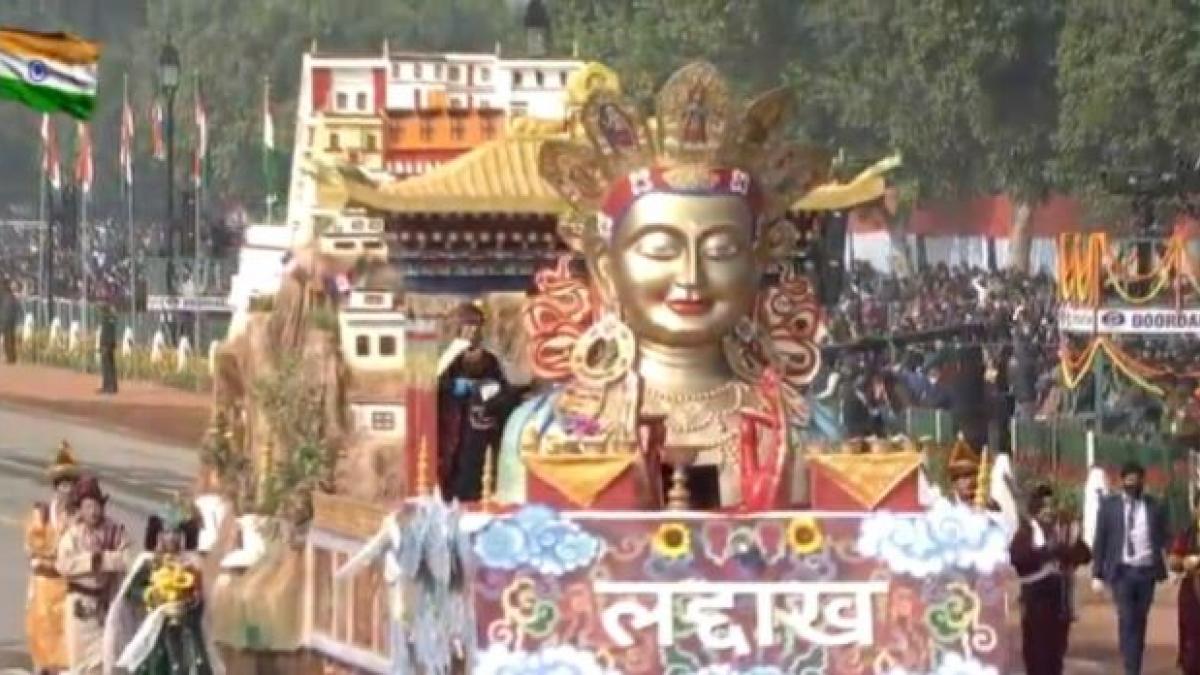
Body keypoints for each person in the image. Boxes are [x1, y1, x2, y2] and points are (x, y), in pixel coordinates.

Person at [496, 62, 859, 510]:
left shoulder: (806, 431)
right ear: (608, 267)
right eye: (660, 249)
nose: (690, 277)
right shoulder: (546, 432)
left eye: (720, 251)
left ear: (757, 262)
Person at [103, 497, 213, 675]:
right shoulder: (148, 562)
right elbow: (131, 593)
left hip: (186, 633)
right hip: (155, 634)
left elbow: (201, 598)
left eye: (176, 532)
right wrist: (152, 596)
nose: (172, 537)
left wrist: (189, 603)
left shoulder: (191, 563)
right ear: (159, 535)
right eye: (167, 532)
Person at [436, 301, 520, 502]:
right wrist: (455, 387)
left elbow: (504, 390)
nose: (473, 332)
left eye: (477, 326)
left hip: (481, 431)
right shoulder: (450, 358)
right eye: (468, 326)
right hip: (454, 429)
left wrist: (493, 391)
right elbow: (434, 386)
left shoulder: (490, 360)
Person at [1091, 461, 1169, 675]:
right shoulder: (1109, 506)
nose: (1133, 485)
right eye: (1129, 480)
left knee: (1140, 620)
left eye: (1137, 481)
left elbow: (1163, 536)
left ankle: (1135, 662)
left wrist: (1169, 560)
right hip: (1122, 572)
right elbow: (1101, 540)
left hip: (1146, 572)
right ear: (1122, 481)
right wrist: (1097, 573)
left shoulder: (1154, 506)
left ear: (1143, 482)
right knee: (1127, 618)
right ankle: (1130, 668)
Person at [1010, 484, 1092, 675]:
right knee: (1036, 655)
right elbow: (1017, 558)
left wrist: (1068, 549)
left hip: (1060, 602)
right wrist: (1046, 553)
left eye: (1051, 506)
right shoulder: (1027, 532)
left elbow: (1086, 555)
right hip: (1035, 603)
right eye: (1044, 507)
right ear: (1035, 510)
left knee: (1056, 655)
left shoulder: (1063, 531)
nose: (1049, 511)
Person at [56, 475, 131, 675]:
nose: (93, 511)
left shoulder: (114, 531)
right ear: (80, 509)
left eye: (96, 505)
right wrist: (90, 561)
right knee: (80, 666)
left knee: (103, 663)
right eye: (88, 506)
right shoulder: (72, 535)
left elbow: (127, 559)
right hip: (79, 608)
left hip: (104, 607)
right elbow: (63, 565)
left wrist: (105, 560)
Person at [24, 441, 82, 675]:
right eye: (63, 484)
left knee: (68, 651)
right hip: (45, 590)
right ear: (56, 487)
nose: (67, 489)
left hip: (69, 588)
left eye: (71, 484)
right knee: (43, 646)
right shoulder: (42, 514)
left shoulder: (81, 518)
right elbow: (33, 552)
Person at [1167, 501, 1200, 675]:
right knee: (1192, 647)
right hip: (1193, 595)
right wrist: (1184, 562)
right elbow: (1173, 560)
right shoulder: (1189, 533)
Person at [97, 302, 118, 394]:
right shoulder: (107, 318)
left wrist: (107, 345)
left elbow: (109, 333)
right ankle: (107, 386)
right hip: (106, 345)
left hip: (107, 345)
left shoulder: (108, 318)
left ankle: (111, 387)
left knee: (108, 367)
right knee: (106, 367)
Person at [0, 277, 19, 364]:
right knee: (11, 337)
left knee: (7, 338)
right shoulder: (11, 294)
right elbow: (16, 307)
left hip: (5, 318)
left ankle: (10, 357)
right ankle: (12, 356)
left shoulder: (2, 293)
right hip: (11, 318)